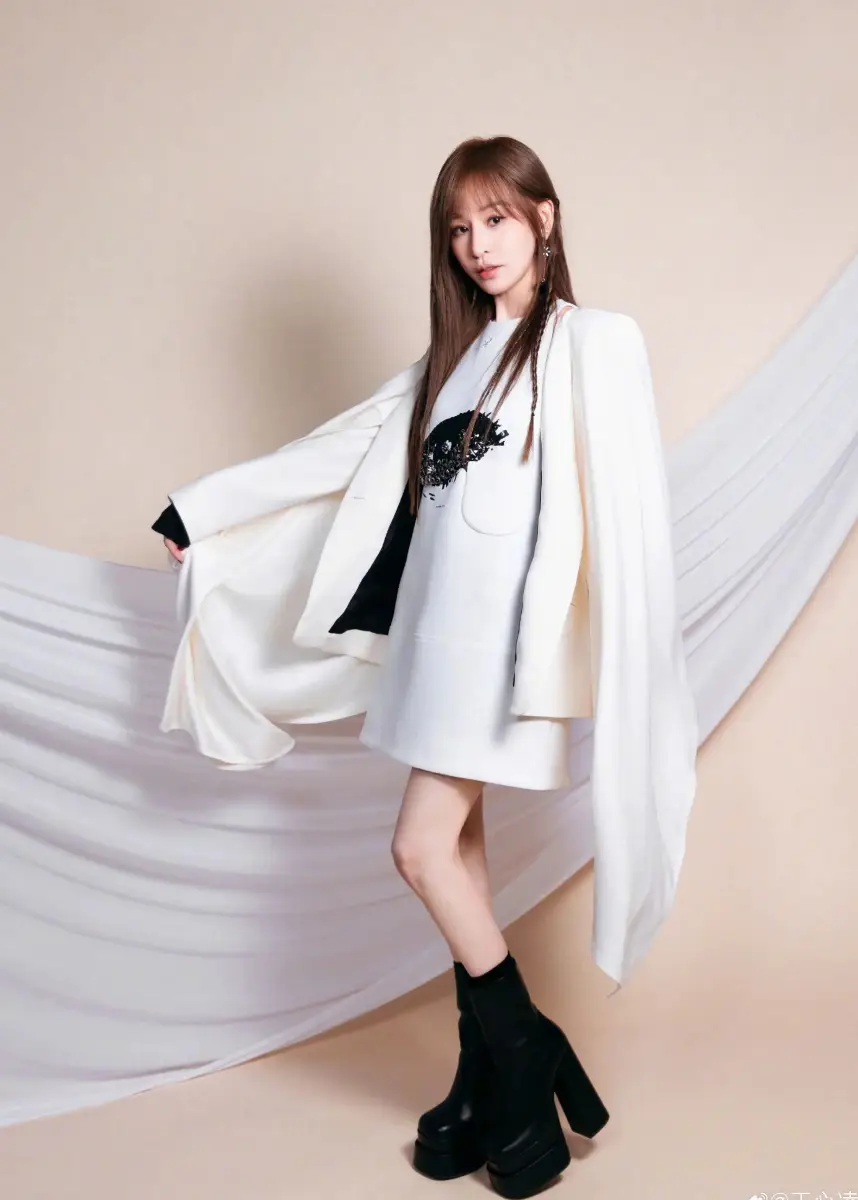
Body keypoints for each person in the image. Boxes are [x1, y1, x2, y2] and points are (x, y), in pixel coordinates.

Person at [153, 135, 696, 1198]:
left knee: (418, 849)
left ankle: (526, 1049)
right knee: (462, 856)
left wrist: (581, 660)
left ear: (544, 217)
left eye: (496, 218)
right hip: (431, 641)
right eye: (459, 228)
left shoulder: (592, 342)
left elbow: (627, 510)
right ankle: (482, 1076)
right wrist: (200, 509)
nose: (478, 244)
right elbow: (341, 450)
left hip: (500, 651)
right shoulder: (454, 359)